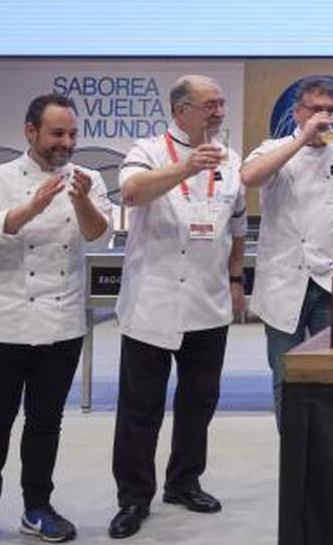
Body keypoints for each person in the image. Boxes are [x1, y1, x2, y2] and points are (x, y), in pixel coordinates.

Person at [0, 94, 112, 545]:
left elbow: (99, 240)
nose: (66, 142)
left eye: (72, 134)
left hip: (61, 324)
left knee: (46, 423)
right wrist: (28, 211)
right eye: (57, 133)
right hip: (1, 324)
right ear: (30, 132)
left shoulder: (89, 180)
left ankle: (37, 507)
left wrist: (82, 202)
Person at [108, 76, 247, 539]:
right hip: (154, 300)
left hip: (208, 303)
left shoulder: (232, 160)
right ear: (181, 109)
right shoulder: (147, 150)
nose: (219, 111)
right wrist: (186, 169)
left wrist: (234, 280)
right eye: (210, 104)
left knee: (198, 403)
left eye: (222, 103)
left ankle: (184, 481)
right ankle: (133, 498)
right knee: (140, 408)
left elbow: (238, 228)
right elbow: (131, 193)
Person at [239, 76, 333, 422]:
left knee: (329, 374)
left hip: (328, 281)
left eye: (331, 110)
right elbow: (249, 176)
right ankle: (293, 460)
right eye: (316, 108)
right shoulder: (272, 149)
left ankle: (325, 459)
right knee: (286, 375)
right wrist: (302, 139)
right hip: (283, 281)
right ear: (298, 111)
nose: (324, 116)